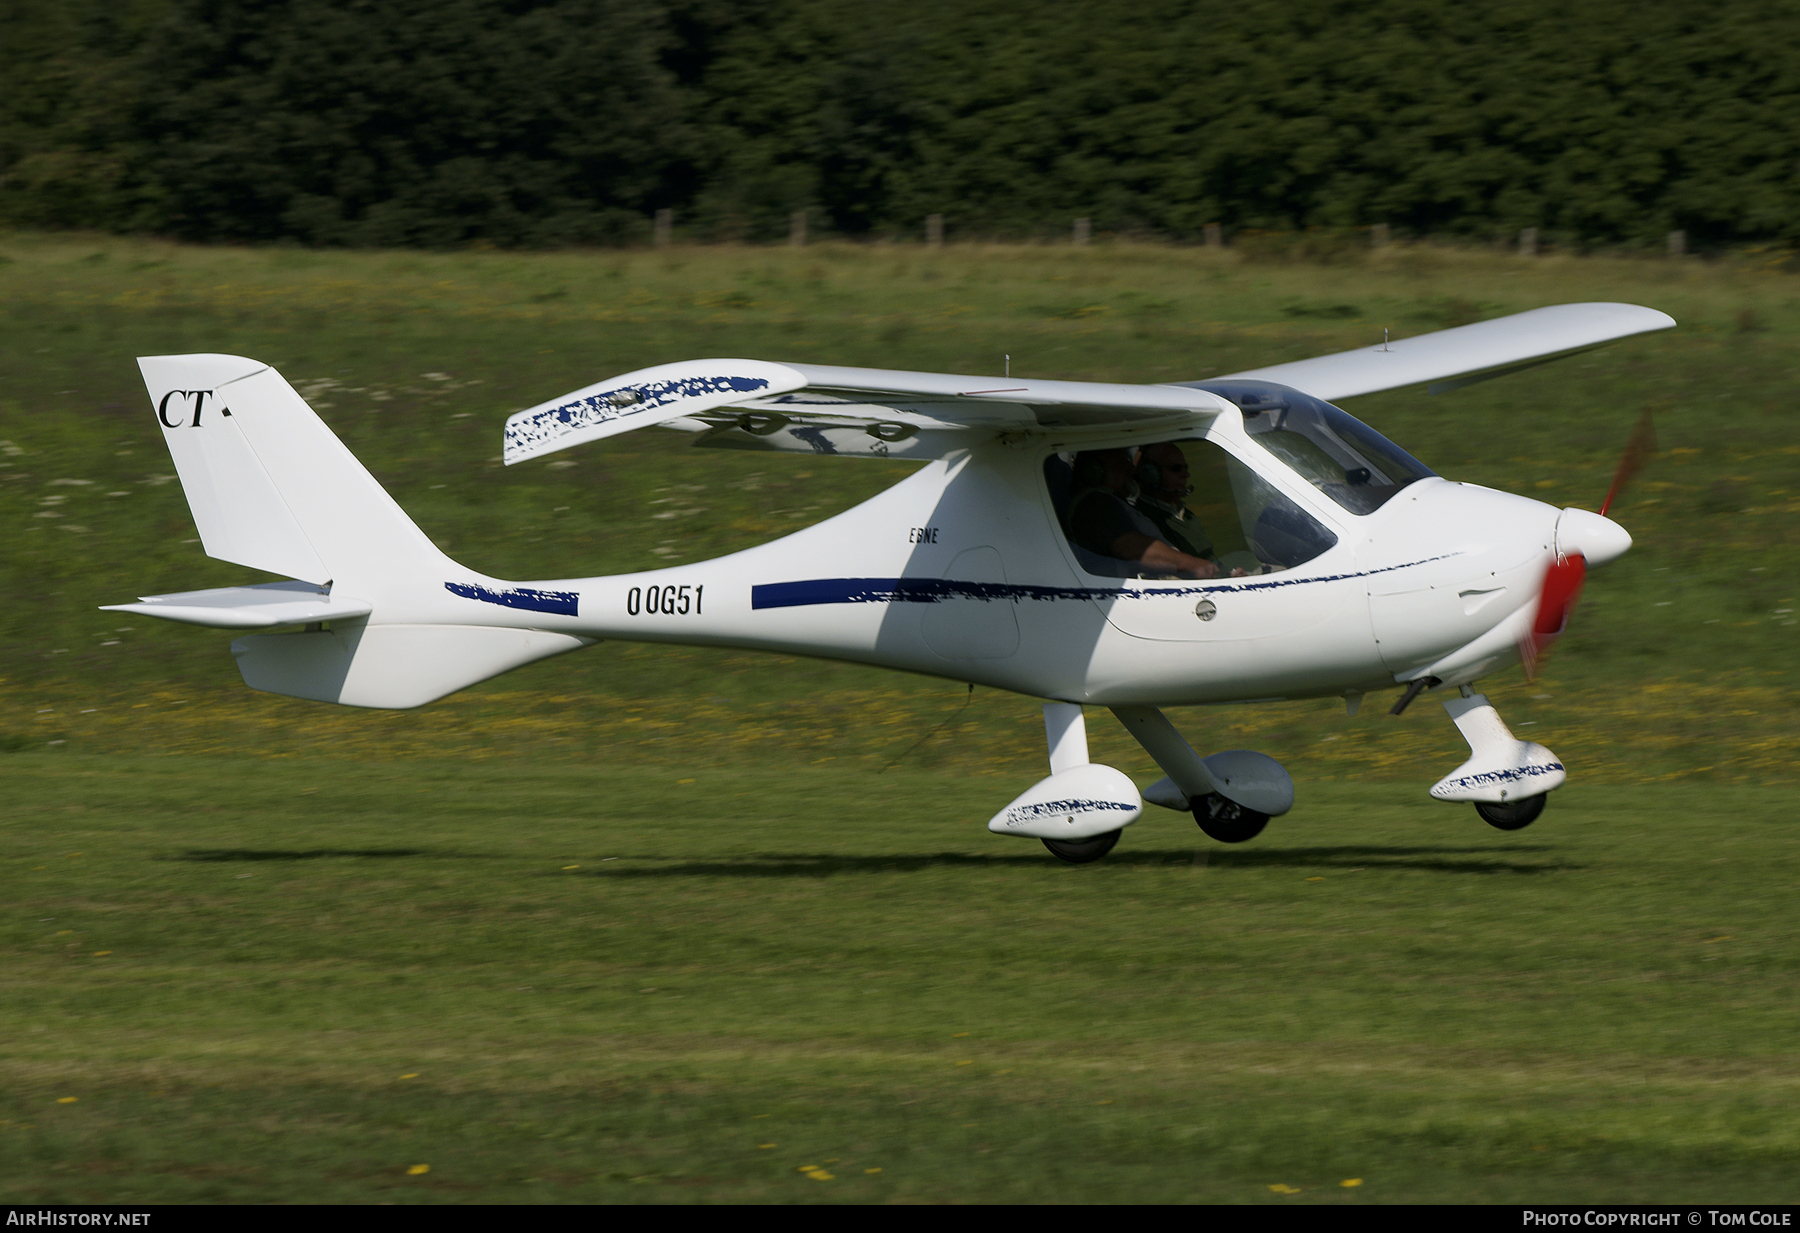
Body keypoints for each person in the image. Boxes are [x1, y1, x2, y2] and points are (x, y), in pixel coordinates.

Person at [1067, 448, 1220, 579]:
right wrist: (1192, 565)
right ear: (1094, 470)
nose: (1130, 468)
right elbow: (1132, 548)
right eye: (1121, 462)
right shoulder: (1096, 504)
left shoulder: (1114, 502)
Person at [1133, 442, 1216, 562]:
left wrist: (1231, 573)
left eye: (1185, 468)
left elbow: (1211, 560)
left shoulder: (1187, 515)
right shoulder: (1143, 520)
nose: (1186, 474)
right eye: (1176, 469)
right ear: (1150, 474)